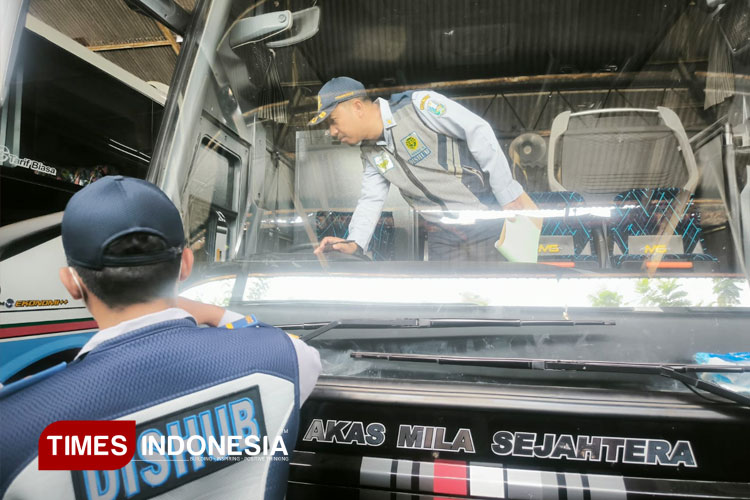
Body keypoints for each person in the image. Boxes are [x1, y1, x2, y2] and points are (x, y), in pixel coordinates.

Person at [0, 176, 321, 500]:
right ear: (185, 265)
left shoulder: (20, 431)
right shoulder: (281, 361)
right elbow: (295, 349)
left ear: (71, 283)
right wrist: (212, 312)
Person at [310, 76, 540, 261]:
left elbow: (477, 131)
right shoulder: (370, 153)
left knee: (498, 302)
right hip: (444, 234)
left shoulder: (419, 106)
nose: (332, 131)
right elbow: (370, 199)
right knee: (447, 309)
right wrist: (355, 242)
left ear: (357, 106)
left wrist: (507, 194)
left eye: (333, 120)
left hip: (486, 222)